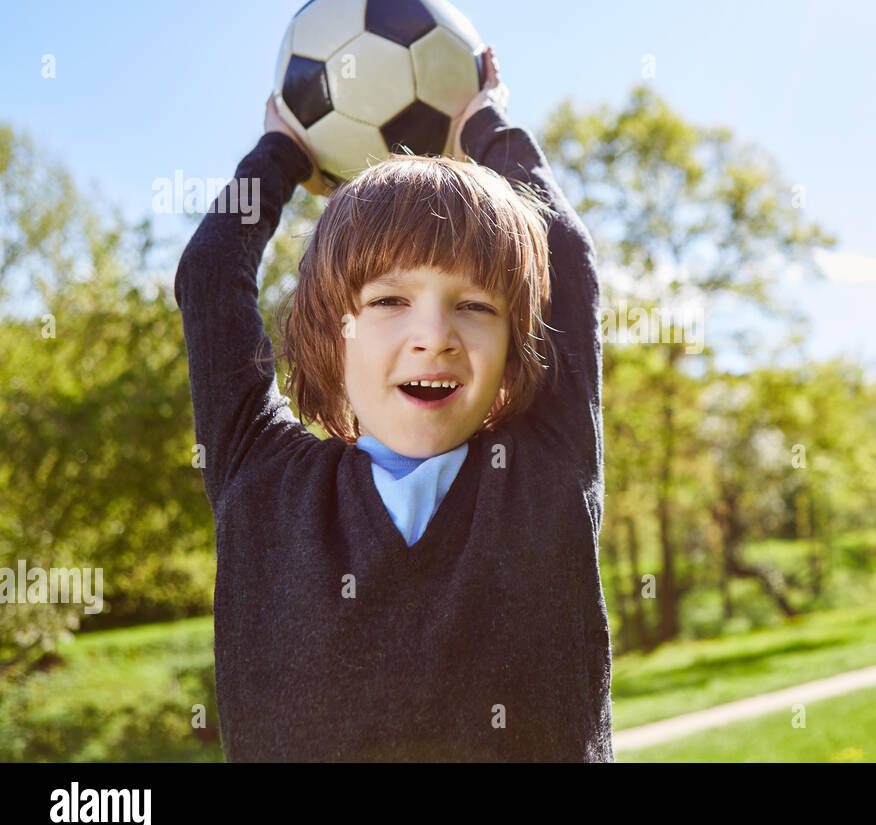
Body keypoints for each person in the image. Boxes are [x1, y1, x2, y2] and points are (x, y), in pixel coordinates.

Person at [174, 47, 615, 761]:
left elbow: (566, 259)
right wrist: (280, 152)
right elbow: (209, 273)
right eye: (388, 301)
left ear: (514, 347)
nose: (434, 337)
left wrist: (489, 130)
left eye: (475, 305)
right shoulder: (261, 479)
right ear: (330, 333)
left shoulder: (545, 469)